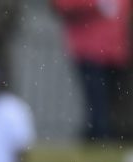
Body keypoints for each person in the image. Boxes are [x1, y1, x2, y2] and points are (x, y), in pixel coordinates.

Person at [53, 0, 131, 141]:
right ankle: (99, 139)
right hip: (90, 52)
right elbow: (63, 5)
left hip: (117, 53)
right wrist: (93, 5)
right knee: (97, 108)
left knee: (116, 109)